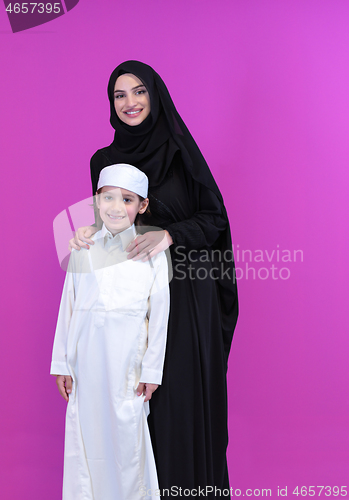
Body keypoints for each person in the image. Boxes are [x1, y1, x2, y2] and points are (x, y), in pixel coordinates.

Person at [70, 61, 239, 498]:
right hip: (130, 301)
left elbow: (214, 218)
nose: (130, 103)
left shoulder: (181, 152)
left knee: (175, 402)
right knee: (134, 404)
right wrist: (89, 231)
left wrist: (168, 234)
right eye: (119, 95)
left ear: (155, 95)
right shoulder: (103, 161)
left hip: (183, 294)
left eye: (139, 92)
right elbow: (112, 220)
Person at [51, 163, 170, 500]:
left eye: (128, 200)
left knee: (126, 436)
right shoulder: (83, 248)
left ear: (142, 206)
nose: (117, 207)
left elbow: (159, 314)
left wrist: (152, 370)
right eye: (108, 198)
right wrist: (61, 363)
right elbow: (68, 307)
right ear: (97, 202)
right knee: (86, 435)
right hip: (85, 360)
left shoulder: (151, 253)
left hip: (127, 364)